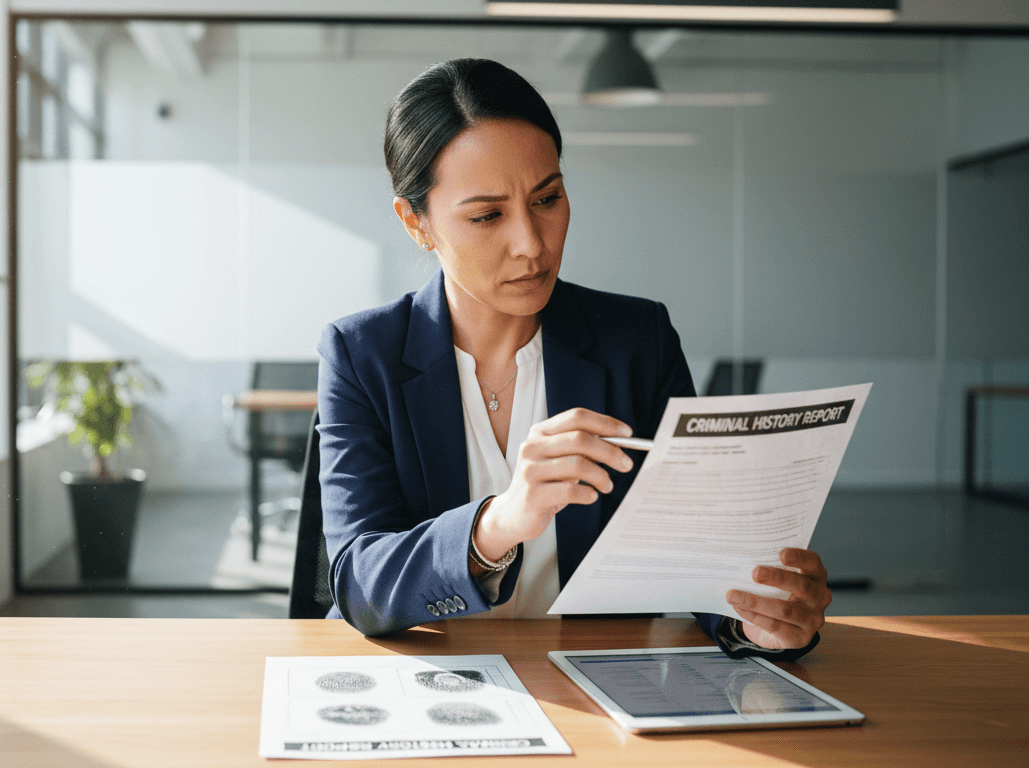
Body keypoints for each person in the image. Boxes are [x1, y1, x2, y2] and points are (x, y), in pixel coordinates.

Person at [315, 58, 830, 661]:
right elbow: (358, 580)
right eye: (486, 216)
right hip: (437, 677)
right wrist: (498, 524)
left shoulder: (638, 340)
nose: (532, 245)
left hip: (598, 681)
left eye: (548, 198)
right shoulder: (362, 353)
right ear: (416, 222)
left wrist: (758, 620)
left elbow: (703, 553)